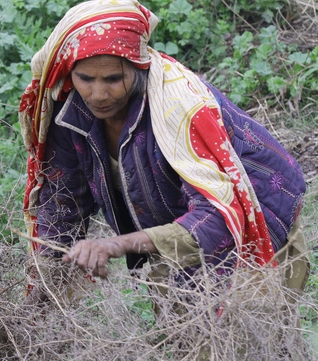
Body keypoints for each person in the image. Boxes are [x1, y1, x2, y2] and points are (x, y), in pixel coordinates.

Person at [18, 0, 308, 303]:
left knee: (249, 336)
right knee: (183, 337)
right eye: (86, 79)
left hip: (255, 222)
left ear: (139, 67)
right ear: (69, 74)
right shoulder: (71, 115)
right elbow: (62, 204)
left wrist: (119, 244)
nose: (99, 94)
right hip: (172, 231)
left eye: (113, 79)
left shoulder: (180, 109)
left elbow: (219, 216)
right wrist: (43, 291)